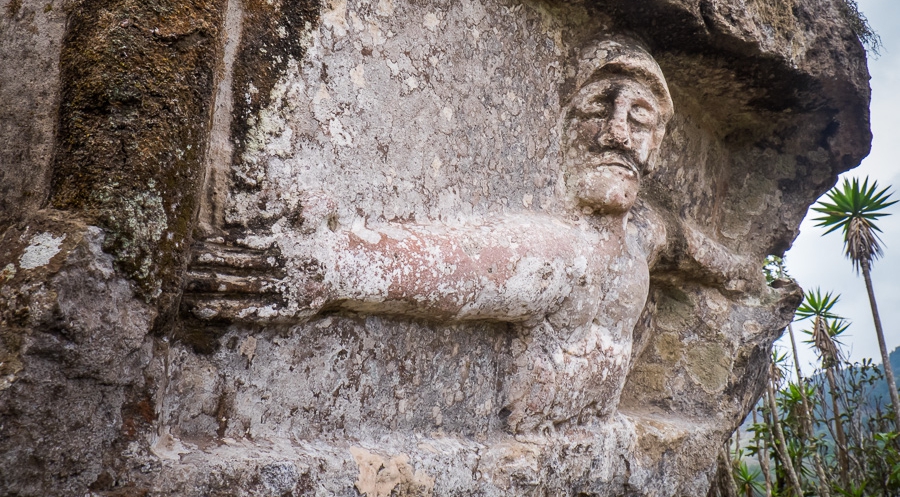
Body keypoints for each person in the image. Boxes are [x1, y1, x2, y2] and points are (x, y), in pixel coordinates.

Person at [186, 37, 673, 432]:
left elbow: (683, 243)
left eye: (639, 117)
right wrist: (332, 266)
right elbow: (464, 264)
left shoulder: (641, 237)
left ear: (657, 145)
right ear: (565, 132)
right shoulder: (561, 251)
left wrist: (739, 274)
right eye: (597, 111)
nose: (617, 133)